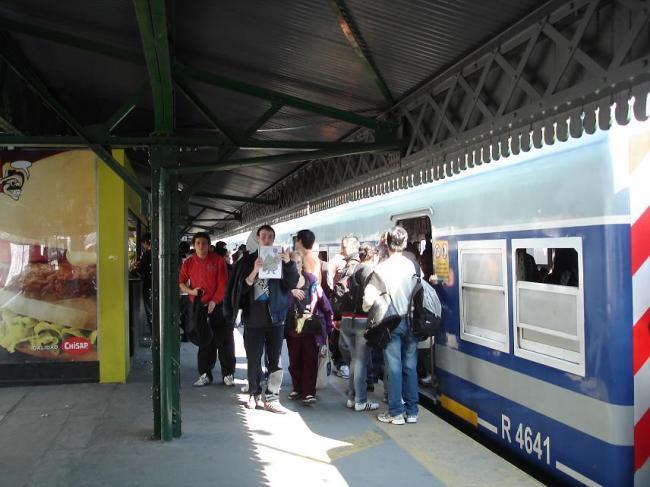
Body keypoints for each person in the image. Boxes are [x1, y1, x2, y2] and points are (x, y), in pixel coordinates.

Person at [225, 225, 299, 413]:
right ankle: (254, 394)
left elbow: (291, 283)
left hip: (276, 318)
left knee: (275, 359)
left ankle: (272, 397)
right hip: (254, 318)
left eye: (270, 237)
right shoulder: (247, 260)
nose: (266, 240)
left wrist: (289, 264)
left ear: (274, 239)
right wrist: (253, 272)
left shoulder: (281, 259)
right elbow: (239, 290)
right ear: (258, 239)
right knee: (254, 358)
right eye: (263, 236)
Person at [363, 226, 419, 425]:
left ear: (387, 243)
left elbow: (368, 301)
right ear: (404, 244)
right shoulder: (411, 266)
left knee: (393, 368)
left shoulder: (382, 268)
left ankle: (396, 413)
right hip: (411, 322)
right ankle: (412, 411)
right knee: (410, 367)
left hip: (391, 324)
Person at [178, 232, 232, 387]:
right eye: (198, 243)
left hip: (217, 305)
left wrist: (215, 301)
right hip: (198, 307)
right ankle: (205, 374)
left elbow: (223, 284)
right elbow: (181, 282)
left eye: (204, 243)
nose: (201, 246)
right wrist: (191, 291)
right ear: (194, 246)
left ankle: (228, 373)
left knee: (223, 339)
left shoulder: (218, 261)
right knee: (204, 341)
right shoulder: (188, 262)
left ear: (209, 246)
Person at [285, 251, 333, 404]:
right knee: (294, 360)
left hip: (310, 328)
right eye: (292, 263)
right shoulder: (284, 283)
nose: (296, 266)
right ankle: (297, 388)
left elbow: (324, 303)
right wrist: (290, 293)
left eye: (298, 263)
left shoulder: (311, 281)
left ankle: (308, 392)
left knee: (310, 360)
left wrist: (329, 323)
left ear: (302, 264)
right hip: (292, 328)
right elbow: (277, 301)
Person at [339, 242, 379, 411]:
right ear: (373, 256)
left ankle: (351, 397)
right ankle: (361, 400)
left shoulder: (350, 268)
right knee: (361, 361)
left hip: (347, 320)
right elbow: (370, 299)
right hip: (361, 321)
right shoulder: (369, 271)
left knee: (355, 360)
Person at [136, 233, 153, 338]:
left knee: (150, 311)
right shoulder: (159, 252)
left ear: (146, 242)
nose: (143, 247)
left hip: (149, 286)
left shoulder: (147, 254)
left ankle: (154, 334)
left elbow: (141, 271)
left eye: (143, 245)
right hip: (157, 286)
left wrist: (136, 268)